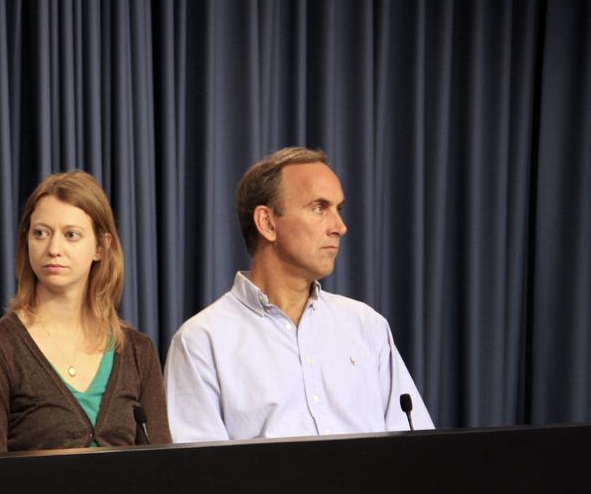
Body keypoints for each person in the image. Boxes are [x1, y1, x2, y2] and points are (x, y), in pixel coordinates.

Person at [165, 147, 434, 442]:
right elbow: (199, 467)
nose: (340, 227)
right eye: (319, 208)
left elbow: (416, 448)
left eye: (339, 209)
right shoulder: (201, 342)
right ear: (267, 223)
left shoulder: (366, 325)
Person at [0, 170, 169, 452]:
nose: (54, 248)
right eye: (41, 233)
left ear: (101, 247)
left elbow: (162, 470)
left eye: (71, 235)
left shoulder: (137, 351)